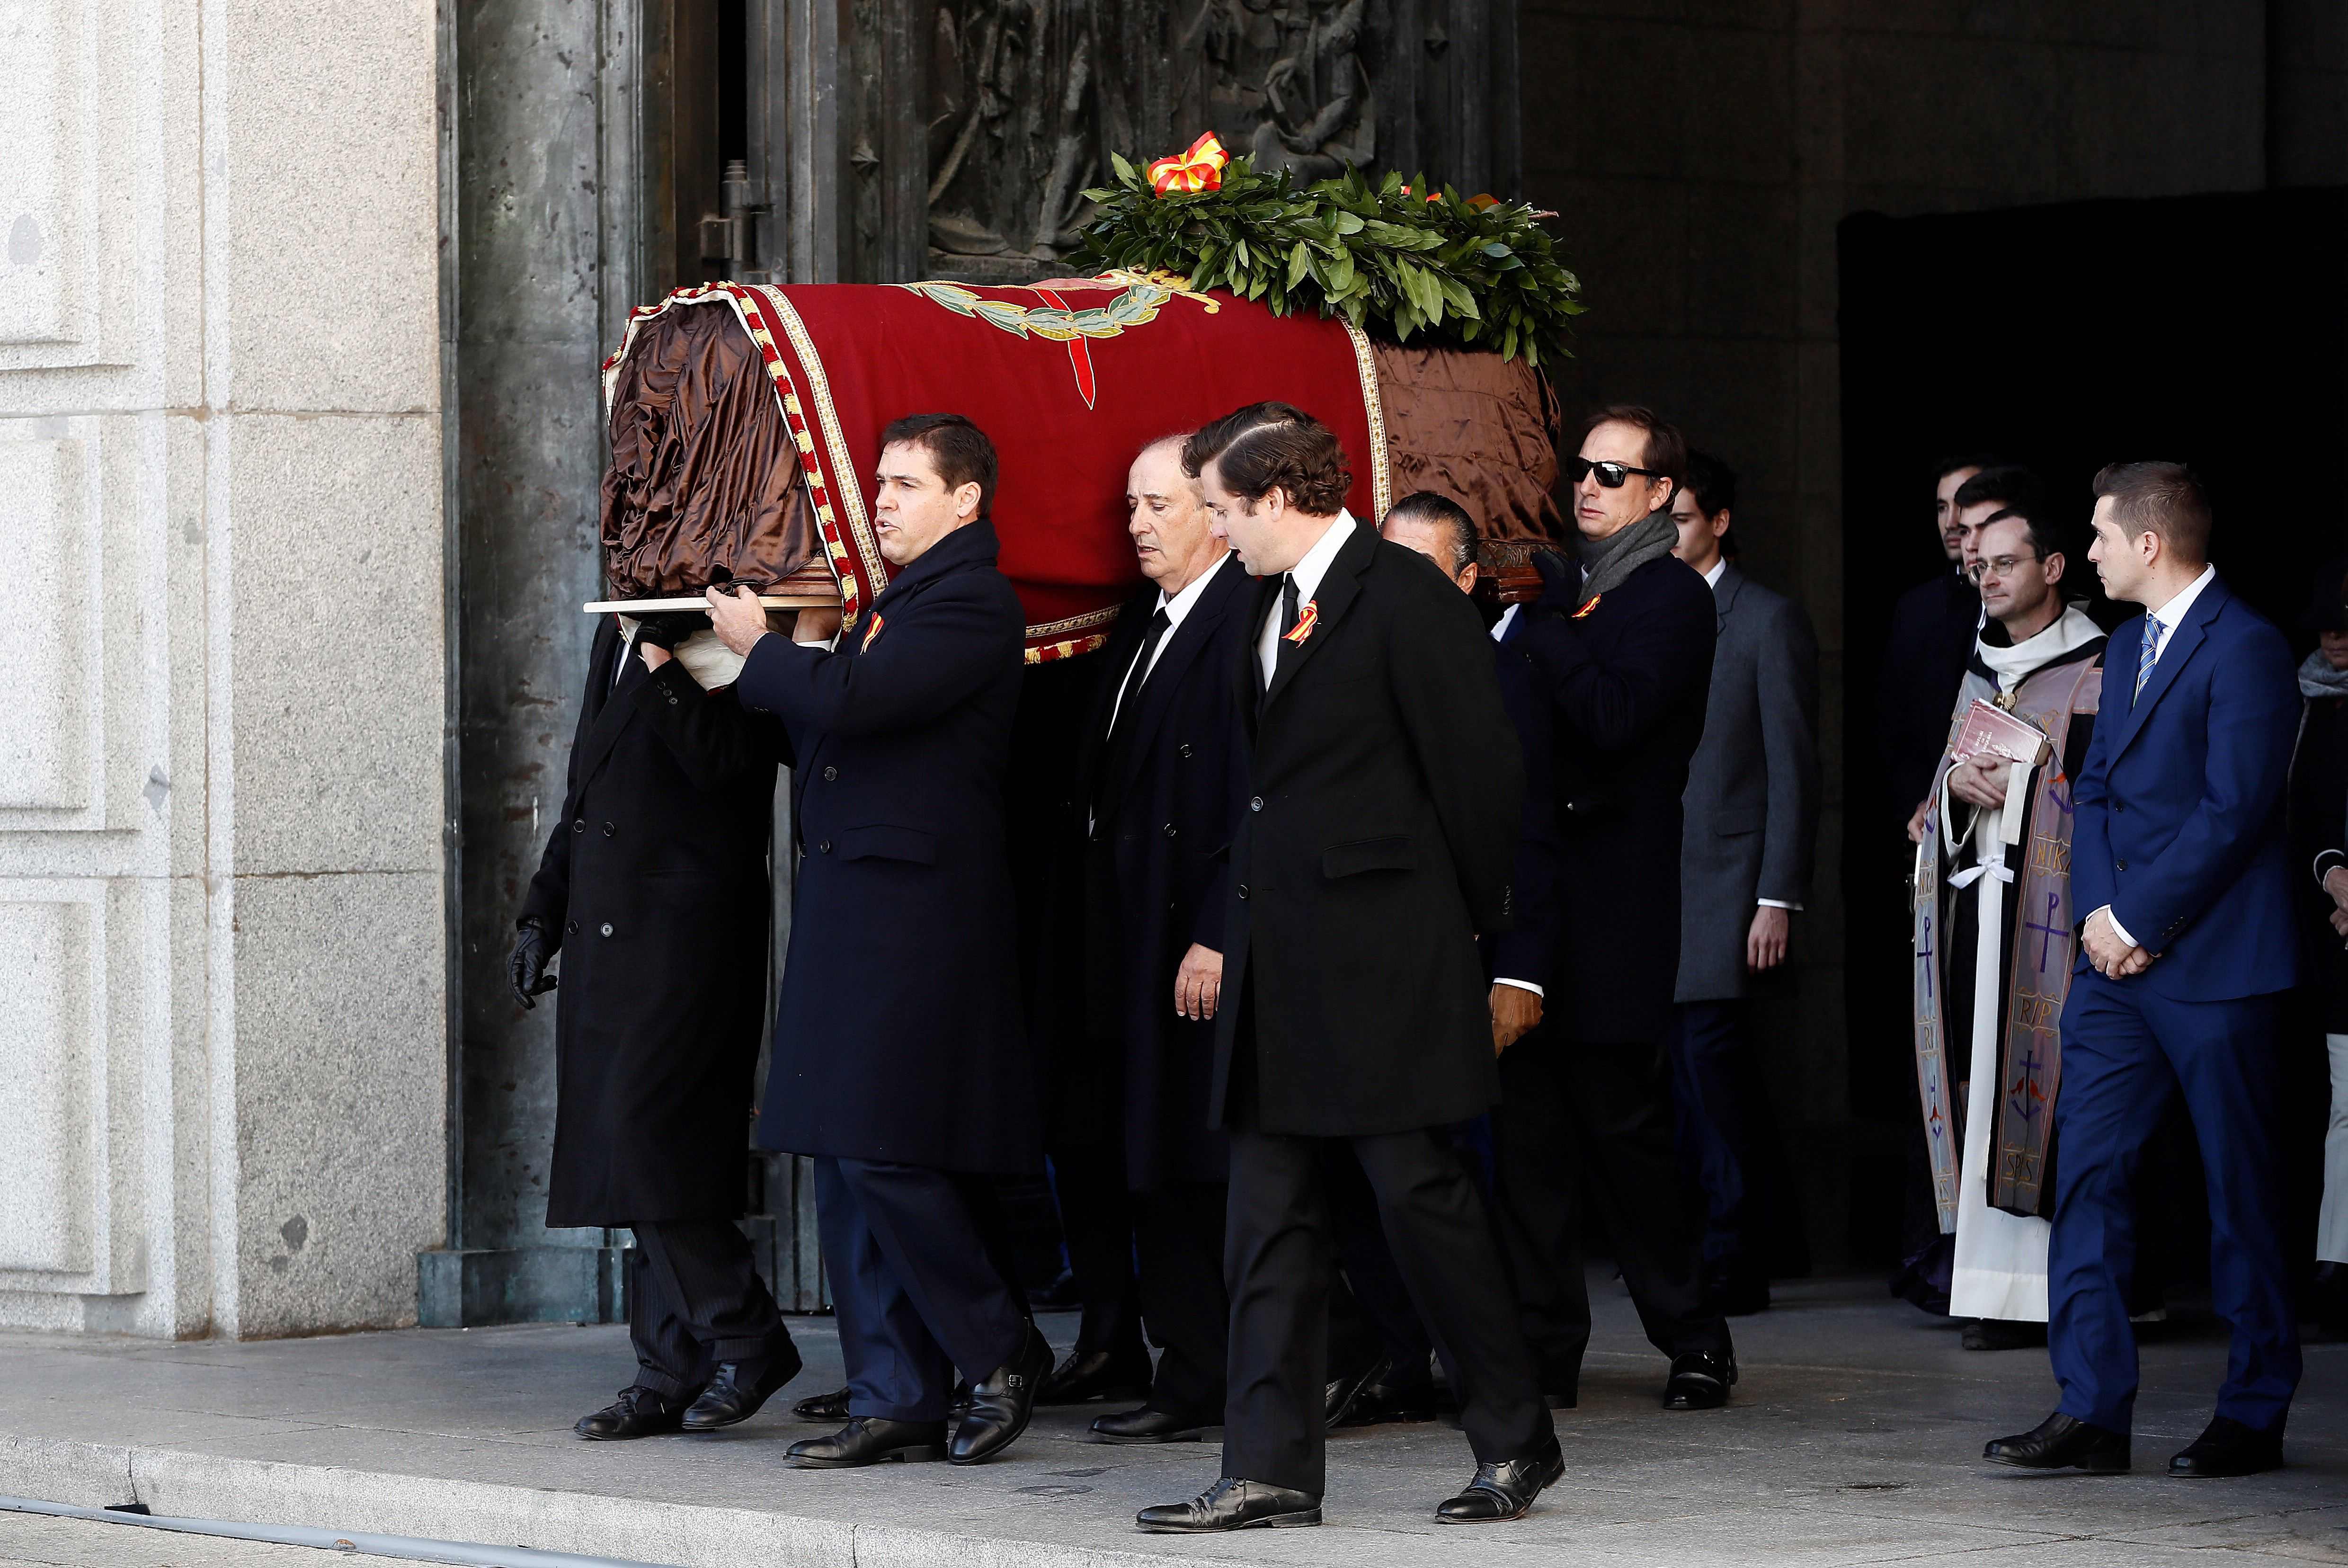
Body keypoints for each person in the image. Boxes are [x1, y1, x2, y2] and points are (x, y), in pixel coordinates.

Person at [1136, 403, 1559, 1532]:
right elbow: (1263, 794)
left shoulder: (1407, 597)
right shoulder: (1262, 604)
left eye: (1224, 511)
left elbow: (1480, 780)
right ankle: (1267, 1468)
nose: (1218, 534)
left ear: (1279, 497)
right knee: (1264, 1221)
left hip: (1385, 967)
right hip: (1279, 969)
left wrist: (1466, 939)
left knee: (1423, 1207)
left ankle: (1514, 1440)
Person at [705, 413, 1051, 1470]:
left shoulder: (973, 602)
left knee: (885, 1148)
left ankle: (1000, 1352)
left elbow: (858, 707)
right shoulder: (888, 607)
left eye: (907, 483)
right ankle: (893, 1393)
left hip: (917, 913)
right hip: (858, 901)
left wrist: (764, 650)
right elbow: (832, 730)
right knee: (845, 1156)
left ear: (965, 500)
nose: (884, 499)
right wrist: (788, 658)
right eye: (881, 481)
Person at [1987, 463, 2303, 1479]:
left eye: (2096, 537)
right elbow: (2099, 796)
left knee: (2238, 1193)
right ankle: (2090, 1410)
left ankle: (2252, 1412)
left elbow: (2236, 810)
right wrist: (2095, 917)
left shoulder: (2247, 646)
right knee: (2086, 1175)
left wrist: (2136, 916)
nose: (2086, 553)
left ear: (2150, 543)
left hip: (2216, 968)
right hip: (2115, 970)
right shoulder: (2124, 645)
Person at [1489, 405, 1736, 1412]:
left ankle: (1693, 1337)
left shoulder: (1669, 597)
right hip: (1532, 902)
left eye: (1609, 473)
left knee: (1624, 1137)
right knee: (1528, 1142)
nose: (1585, 486)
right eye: (1578, 470)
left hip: (1615, 910)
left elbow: (1613, 717)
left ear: (1659, 495)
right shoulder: (1553, 595)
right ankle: (1548, 1347)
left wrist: (1545, 621)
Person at [510, 609, 802, 1441]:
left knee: (649, 1145)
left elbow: (740, 766)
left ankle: (745, 1333)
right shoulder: (616, 629)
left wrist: (668, 664)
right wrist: (541, 910)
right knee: (630, 1156)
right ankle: (666, 1367)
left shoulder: (730, 622)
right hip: (608, 936)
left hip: (687, 942)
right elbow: (585, 786)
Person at [1074, 435, 1251, 1444]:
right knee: (1155, 1159)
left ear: (1214, 514)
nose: (1137, 525)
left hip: (1198, 944)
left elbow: (1258, 795)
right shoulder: (1146, 623)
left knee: (1199, 1164)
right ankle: (1187, 1368)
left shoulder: (1241, 620)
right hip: (1135, 936)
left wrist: (1221, 931)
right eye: (1131, 507)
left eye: (1158, 506)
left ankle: (1213, 1374)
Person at [1911, 507, 2105, 1354]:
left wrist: (2018, 786)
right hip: (1978, 910)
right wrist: (1955, 789)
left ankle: (2058, 1289)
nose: (1986, 577)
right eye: (1977, 564)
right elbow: (1940, 791)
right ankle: (1991, 1288)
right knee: (1982, 1090)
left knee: (2044, 1093)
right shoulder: (1980, 670)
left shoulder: (2098, 665)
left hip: (2049, 924)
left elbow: (2101, 801)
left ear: (2056, 565)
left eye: (2005, 562)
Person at [1665, 452, 1820, 1316]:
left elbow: (1796, 768)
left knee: (1714, 1070)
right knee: (1681, 1079)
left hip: (1729, 888)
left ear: (1718, 521)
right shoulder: (1644, 606)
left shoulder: (1766, 620)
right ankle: (1705, 1244)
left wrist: (1778, 895)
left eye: (1681, 519)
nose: (1669, 535)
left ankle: (1736, 1253)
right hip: (1658, 887)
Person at [1878, 456, 2005, 830]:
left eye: (1964, 507)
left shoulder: (2032, 605)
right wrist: (1924, 802)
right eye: (1942, 508)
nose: (1952, 522)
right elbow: (1896, 726)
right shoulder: (1918, 609)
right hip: (1932, 821)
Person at [2290, 569, 2348, 1338]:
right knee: (2345, 1095)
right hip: (2334, 927)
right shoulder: (2311, 704)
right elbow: (2301, 808)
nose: (2335, 639)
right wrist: (2335, 876)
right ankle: (2338, 1261)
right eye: (2326, 625)